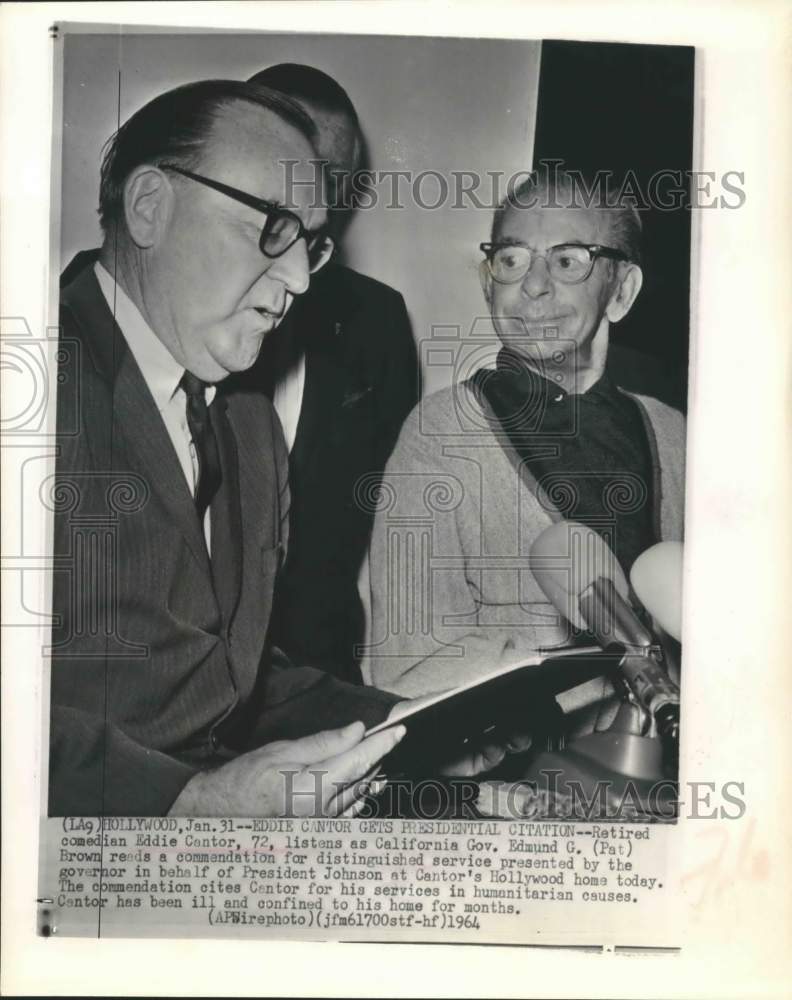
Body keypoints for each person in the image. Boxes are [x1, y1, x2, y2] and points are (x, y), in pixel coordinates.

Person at [50, 79, 410, 818]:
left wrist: (420, 721)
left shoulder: (249, 426)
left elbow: (226, 685)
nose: (301, 281)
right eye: (274, 227)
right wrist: (188, 803)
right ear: (150, 205)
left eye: (311, 244)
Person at [363, 168, 685, 714]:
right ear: (490, 282)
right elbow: (406, 663)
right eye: (512, 261)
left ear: (621, 291)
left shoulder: (675, 436)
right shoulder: (440, 433)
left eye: (567, 260)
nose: (533, 285)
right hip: (521, 784)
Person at [240, 65, 420, 683]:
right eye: (299, 174)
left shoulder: (378, 320)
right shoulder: (119, 301)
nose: (320, 205)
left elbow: (390, 524)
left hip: (320, 682)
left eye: (335, 182)